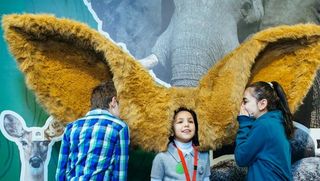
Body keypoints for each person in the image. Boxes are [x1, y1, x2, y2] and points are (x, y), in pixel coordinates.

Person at [55, 81, 130, 181]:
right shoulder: (119, 127)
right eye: (119, 106)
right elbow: (120, 175)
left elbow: (60, 173)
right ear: (113, 101)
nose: (120, 112)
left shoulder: (71, 127)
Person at [235, 81, 294, 180]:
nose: (243, 107)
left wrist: (244, 123)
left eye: (245, 101)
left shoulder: (265, 125)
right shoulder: (275, 122)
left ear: (262, 104)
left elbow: (241, 158)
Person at [151, 107, 211, 181]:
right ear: (171, 130)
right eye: (180, 122)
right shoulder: (161, 157)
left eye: (190, 121)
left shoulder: (204, 154)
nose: (186, 124)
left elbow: (206, 178)